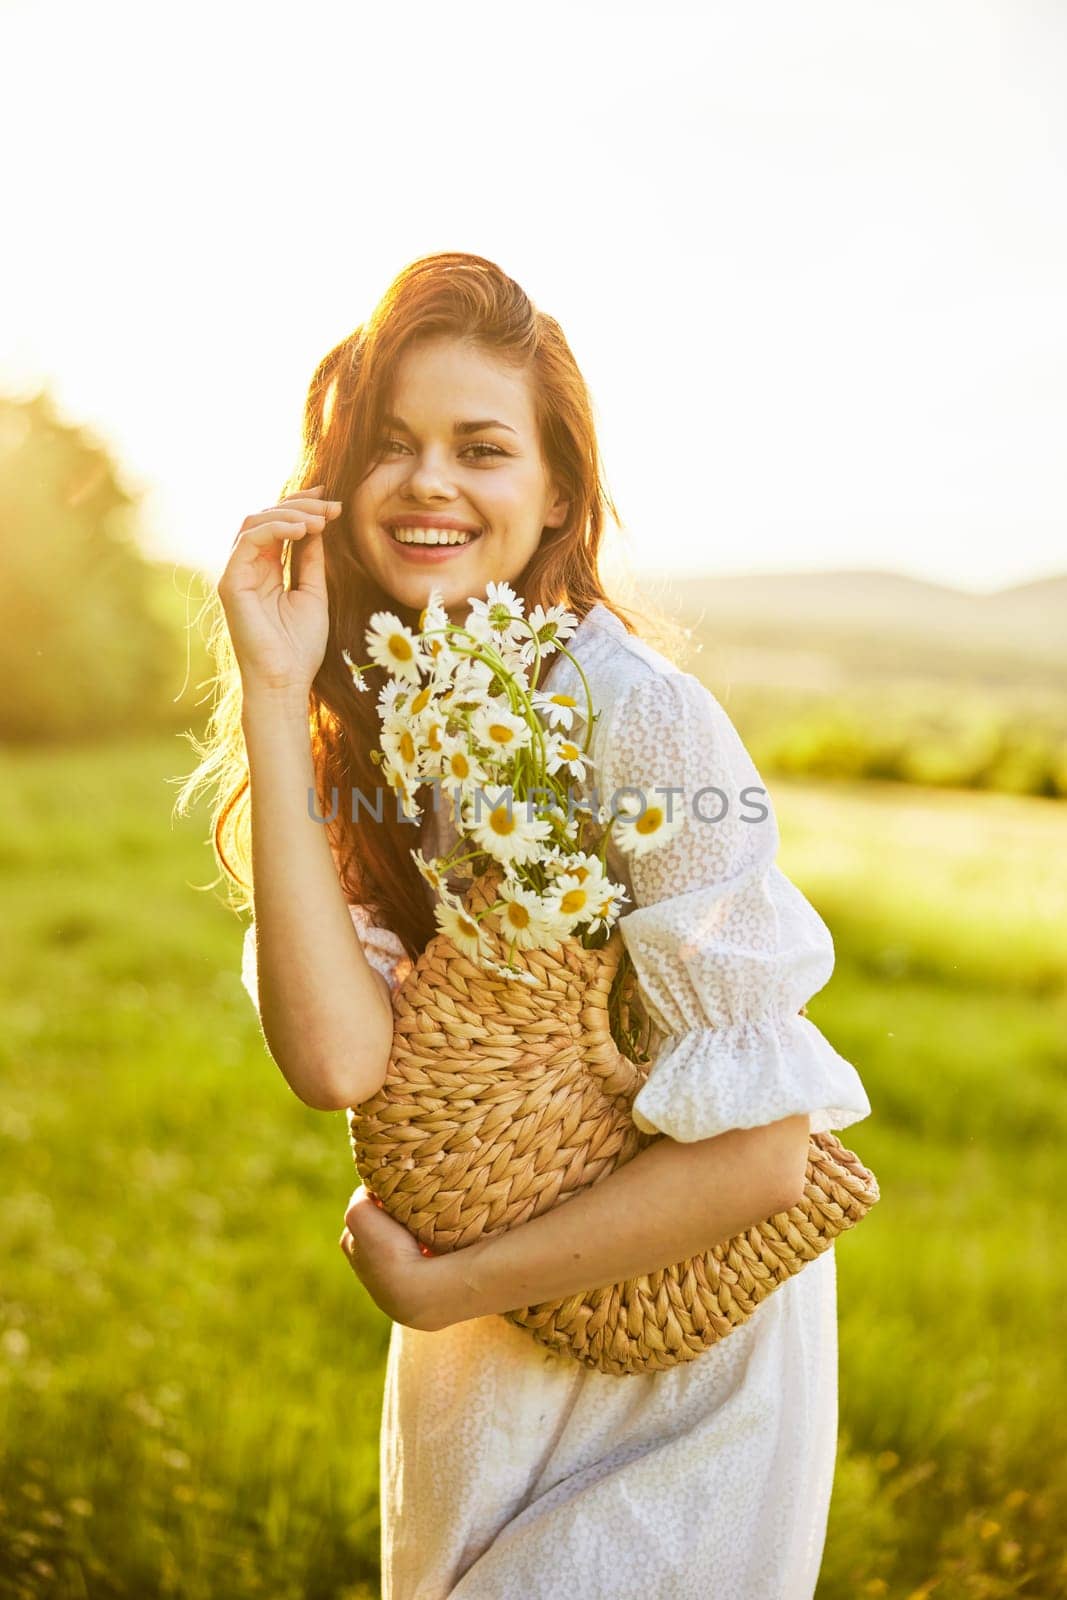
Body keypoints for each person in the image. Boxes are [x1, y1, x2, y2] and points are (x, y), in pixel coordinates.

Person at [186, 251, 872, 1599]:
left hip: (679, 1356)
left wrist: (449, 1286)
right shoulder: (369, 725)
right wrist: (275, 694)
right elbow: (337, 1064)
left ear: (559, 490)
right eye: (392, 444)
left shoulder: (641, 716)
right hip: (489, 1363)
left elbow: (768, 1159)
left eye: (480, 448)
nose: (429, 481)